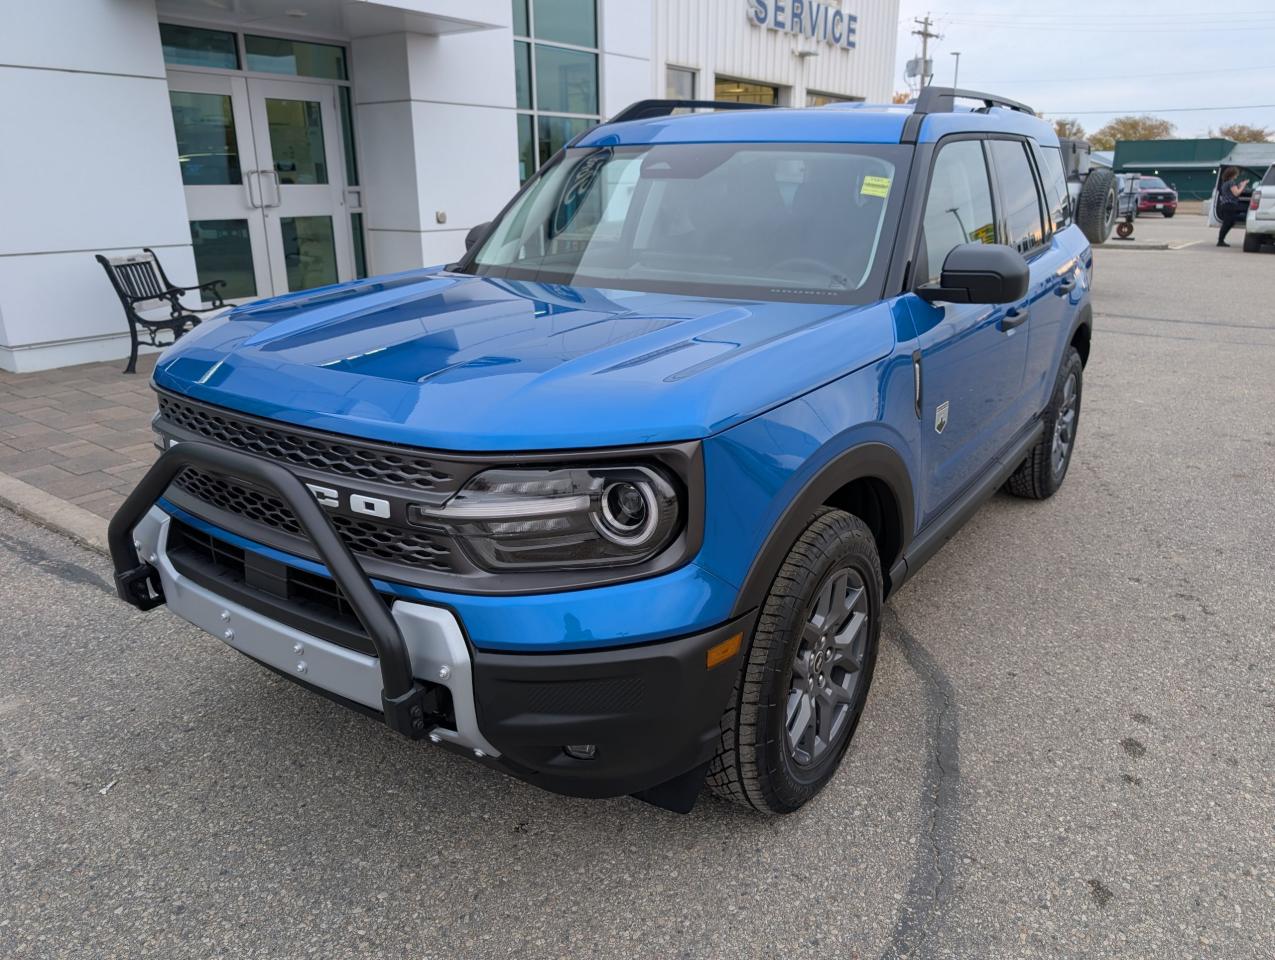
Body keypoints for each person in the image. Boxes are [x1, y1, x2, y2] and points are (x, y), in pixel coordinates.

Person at [1215, 166, 1251, 247]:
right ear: (1233, 174)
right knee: (1227, 223)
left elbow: (1231, 192)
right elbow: (1236, 193)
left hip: (1225, 205)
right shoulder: (1231, 182)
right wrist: (1243, 185)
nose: (1237, 175)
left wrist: (1239, 185)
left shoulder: (1225, 183)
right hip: (1229, 205)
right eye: (1236, 173)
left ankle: (1221, 240)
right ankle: (1220, 241)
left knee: (1230, 222)